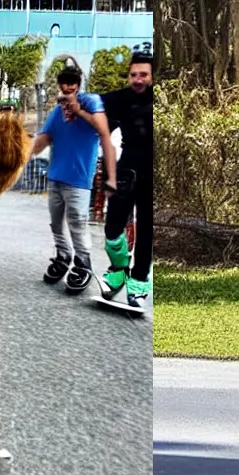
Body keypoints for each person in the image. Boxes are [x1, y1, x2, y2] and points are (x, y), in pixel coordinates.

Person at [28, 63, 115, 295]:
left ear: (78, 84)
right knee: (56, 223)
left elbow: (102, 128)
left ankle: (83, 263)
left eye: (72, 83)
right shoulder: (57, 112)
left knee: (77, 223)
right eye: (64, 83)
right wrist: (22, 155)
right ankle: (63, 256)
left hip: (79, 179)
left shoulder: (91, 102)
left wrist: (79, 111)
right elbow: (44, 139)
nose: (68, 87)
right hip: (56, 177)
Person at [97, 50, 152, 313]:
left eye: (143, 74)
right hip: (126, 169)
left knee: (146, 233)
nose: (138, 79)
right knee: (112, 227)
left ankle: (139, 281)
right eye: (133, 75)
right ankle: (119, 269)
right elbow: (93, 105)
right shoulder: (121, 99)